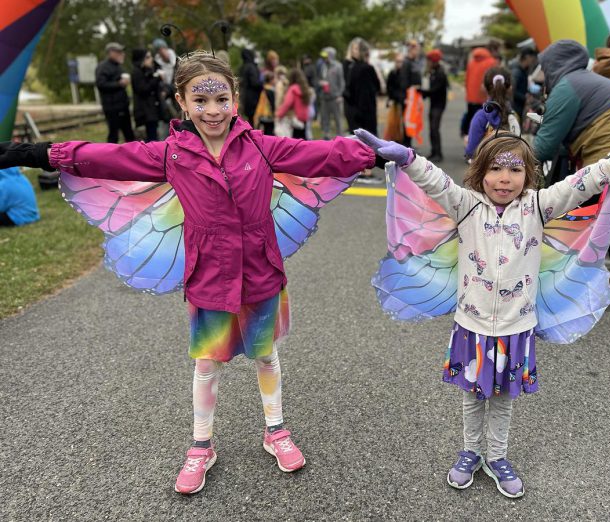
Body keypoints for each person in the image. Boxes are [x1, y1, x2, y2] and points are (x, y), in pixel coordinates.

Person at [0, 51, 376, 495]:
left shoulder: (261, 145)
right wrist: (34, 152)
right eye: (200, 100)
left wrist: (372, 151)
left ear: (236, 98)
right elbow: (106, 157)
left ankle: (275, 431)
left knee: (265, 354)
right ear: (181, 101)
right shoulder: (170, 154)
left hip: (260, 271)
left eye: (221, 100)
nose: (212, 111)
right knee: (207, 363)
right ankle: (202, 445)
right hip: (210, 277)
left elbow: (320, 154)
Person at [354, 124, 610, 499]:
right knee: (472, 397)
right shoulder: (465, 205)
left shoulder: (539, 207)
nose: (504, 179)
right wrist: (408, 158)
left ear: (529, 174)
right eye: (495, 169)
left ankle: (497, 457)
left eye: (515, 170)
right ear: (480, 172)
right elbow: (434, 181)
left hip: (516, 327)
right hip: (471, 326)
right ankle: (470, 452)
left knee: (504, 401)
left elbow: (582, 183)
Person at [534, 39, 610, 312]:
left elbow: (544, 145)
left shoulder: (566, 87)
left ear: (554, 64)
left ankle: (568, 292)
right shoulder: (591, 80)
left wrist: (505, 158)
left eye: (545, 67)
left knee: (583, 224)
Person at [465, 67, 519, 159]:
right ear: (510, 88)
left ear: (484, 87)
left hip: (487, 169)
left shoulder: (481, 116)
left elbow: (471, 151)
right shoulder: (514, 116)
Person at [95, 42, 135, 143]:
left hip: (122, 106)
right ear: (111, 53)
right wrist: (119, 84)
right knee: (113, 135)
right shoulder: (103, 67)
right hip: (112, 107)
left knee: (129, 134)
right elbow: (101, 84)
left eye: (122, 52)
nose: (122, 54)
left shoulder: (118, 66)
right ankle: (109, 158)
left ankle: (132, 157)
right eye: (119, 52)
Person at [461, 46, 498, 140]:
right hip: (484, 98)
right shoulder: (492, 62)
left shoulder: (471, 63)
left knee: (472, 119)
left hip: (471, 97)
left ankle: (469, 138)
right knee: (484, 123)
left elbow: (467, 79)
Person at [419, 49, 449, 162]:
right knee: (432, 128)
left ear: (434, 61)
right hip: (434, 103)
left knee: (434, 128)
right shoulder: (433, 71)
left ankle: (438, 153)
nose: (427, 62)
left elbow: (434, 90)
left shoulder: (440, 73)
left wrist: (422, 92)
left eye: (429, 60)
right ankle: (434, 151)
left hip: (439, 104)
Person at [131, 49, 165, 142]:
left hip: (151, 110)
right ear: (141, 59)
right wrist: (157, 78)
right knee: (150, 139)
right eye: (148, 57)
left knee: (154, 136)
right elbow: (143, 89)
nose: (151, 59)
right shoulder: (137, 72)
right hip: (145, 112)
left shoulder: (148, 70)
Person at [0, 161, 41, 227]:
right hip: (32, 215)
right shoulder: (22, 178)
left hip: (17, 218)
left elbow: (1, 207)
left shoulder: (4, 184)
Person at [275, 68, 312, 139]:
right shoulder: (305, 88)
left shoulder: (293, 89)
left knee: (296, 142)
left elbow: (287, 104)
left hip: (296, 120)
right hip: (304, 119)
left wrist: (279, 114)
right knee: (304, 140)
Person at [398, 40, 422, 146]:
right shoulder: (406, 63)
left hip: (415, 96)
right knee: (407, 122)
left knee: (412, 121)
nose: (418, 51)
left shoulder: (414, 62)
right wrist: (405, 98)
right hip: (408, 97)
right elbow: (403, 81)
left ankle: (409, 144)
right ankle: (406, 145)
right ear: (411, 49)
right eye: (417, 49)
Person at [317, 47, 345, 139]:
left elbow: (342, 82)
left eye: (326, 56)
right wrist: (321, 83)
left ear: (331, 55)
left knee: (338, 120)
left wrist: (340, 95)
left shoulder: (338, 66)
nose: (324, 58)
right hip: (324, 97)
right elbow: (320, 79)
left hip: (335, 98)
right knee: (325, 119)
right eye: (323, 56)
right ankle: (326, 139)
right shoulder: (323, 66)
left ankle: (341, 139)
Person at [510, 48, 538, 122]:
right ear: (527, 57)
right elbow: (512, 90)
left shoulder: (523, 70)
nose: (533, 61)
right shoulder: (517, 72)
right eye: (532, 58)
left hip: (518, 106)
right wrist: (525, 98)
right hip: (515, 107)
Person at [238, 48, 263, 123]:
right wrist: (263, 84)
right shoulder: (252, 67)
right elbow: (255, 83)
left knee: (249, 119)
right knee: (254, 120)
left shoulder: (242, 67)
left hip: (245, 96)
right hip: (253, 97)